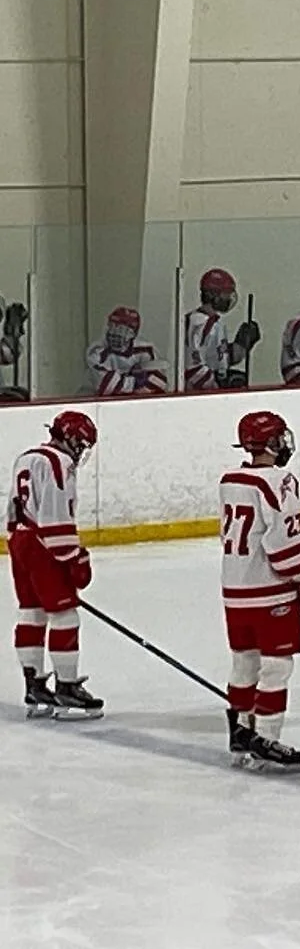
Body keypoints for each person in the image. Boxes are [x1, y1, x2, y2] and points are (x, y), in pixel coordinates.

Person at [219, 411, 300, 772]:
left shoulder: (230, 480)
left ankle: (240, 733)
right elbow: (283, 539)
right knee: (276, 666)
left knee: (243, 661)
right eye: (279, 438)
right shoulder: (279, 481)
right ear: (270, 443)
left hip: (235, 587)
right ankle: (266, 737)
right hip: (270, 591)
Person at [7, 410, 102, 717]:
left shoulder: (26, 457)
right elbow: (55, 516)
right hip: (43, 545)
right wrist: (74, 557)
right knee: (65, 615)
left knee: (32, 612)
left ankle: (34, 685)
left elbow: (14, 510)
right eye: (81, 444)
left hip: (19, 541)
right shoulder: (59, 463)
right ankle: (67, 686)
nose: (81, 451)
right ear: (71, 438)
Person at [185, 268, 258, 391]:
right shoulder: (198, 322)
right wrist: (217, 385)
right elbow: (193, 367)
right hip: (200, 395)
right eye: (226, 293)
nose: (229, 298)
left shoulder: (215, 322)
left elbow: (219, 359)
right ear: (212, 294)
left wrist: (241, 345)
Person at [86, 307, 167, 396]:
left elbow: (160, 382)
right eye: (112, 326)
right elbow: (106, 386)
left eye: (121, 329)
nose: (114, 333)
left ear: (132, 334)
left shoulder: (146, 349)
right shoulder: (97, 352)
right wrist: (136, 381)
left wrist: (123, 380)